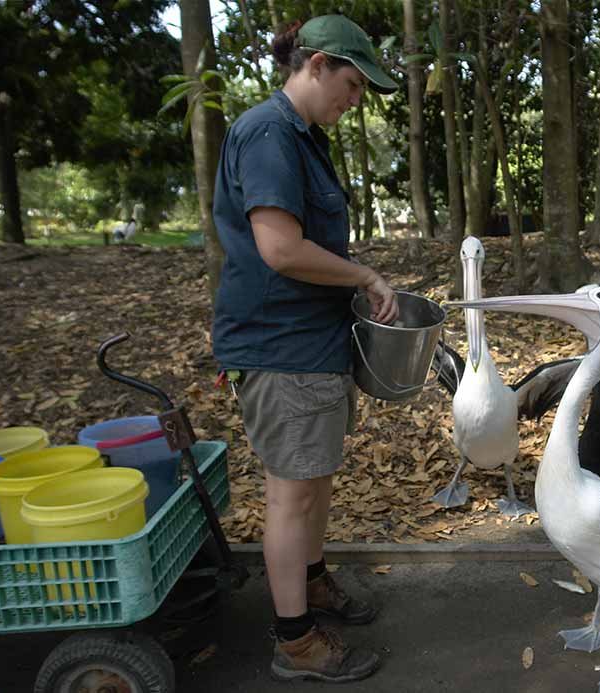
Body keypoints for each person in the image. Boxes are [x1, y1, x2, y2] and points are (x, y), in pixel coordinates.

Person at [210, 14, 400, 685]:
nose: (354, 101)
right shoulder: (268, 132)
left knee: (314, 477)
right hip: (279, 347)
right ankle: (294, 640)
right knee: (291, 494)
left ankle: (314, 585)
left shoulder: (305, 138)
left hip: (313, 344)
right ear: (315, 64)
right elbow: (280, 249)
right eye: (351, 84)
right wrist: (365, 274)